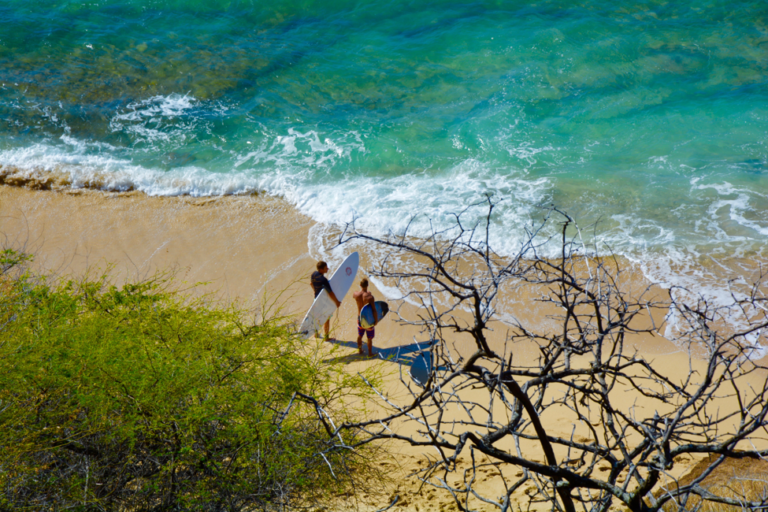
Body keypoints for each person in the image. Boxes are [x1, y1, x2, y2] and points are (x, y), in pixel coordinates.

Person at [310, 260, 341, 340]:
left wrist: (314, 290)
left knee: (317, 317)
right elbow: (330, 293)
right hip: (323, 302)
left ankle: (316, 334)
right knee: (326, 319)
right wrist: (337, 302)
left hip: (316, 300)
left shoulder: (313, 274)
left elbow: (311, 284)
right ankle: (326, 338)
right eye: (325, 268)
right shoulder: (324, 280)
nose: (327, 269)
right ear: (321, 270)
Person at [352, 278, 378, 357]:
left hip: (359, 318)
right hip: (368, 320)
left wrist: (363, 292)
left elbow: (355, 293)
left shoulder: (356, 294)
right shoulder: (370, 297)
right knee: (369, 338)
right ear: (367, 285)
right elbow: (374, 310)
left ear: (360, 285)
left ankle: (360, 350)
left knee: (360, 335)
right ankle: (370, 353)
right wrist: (376, 320)